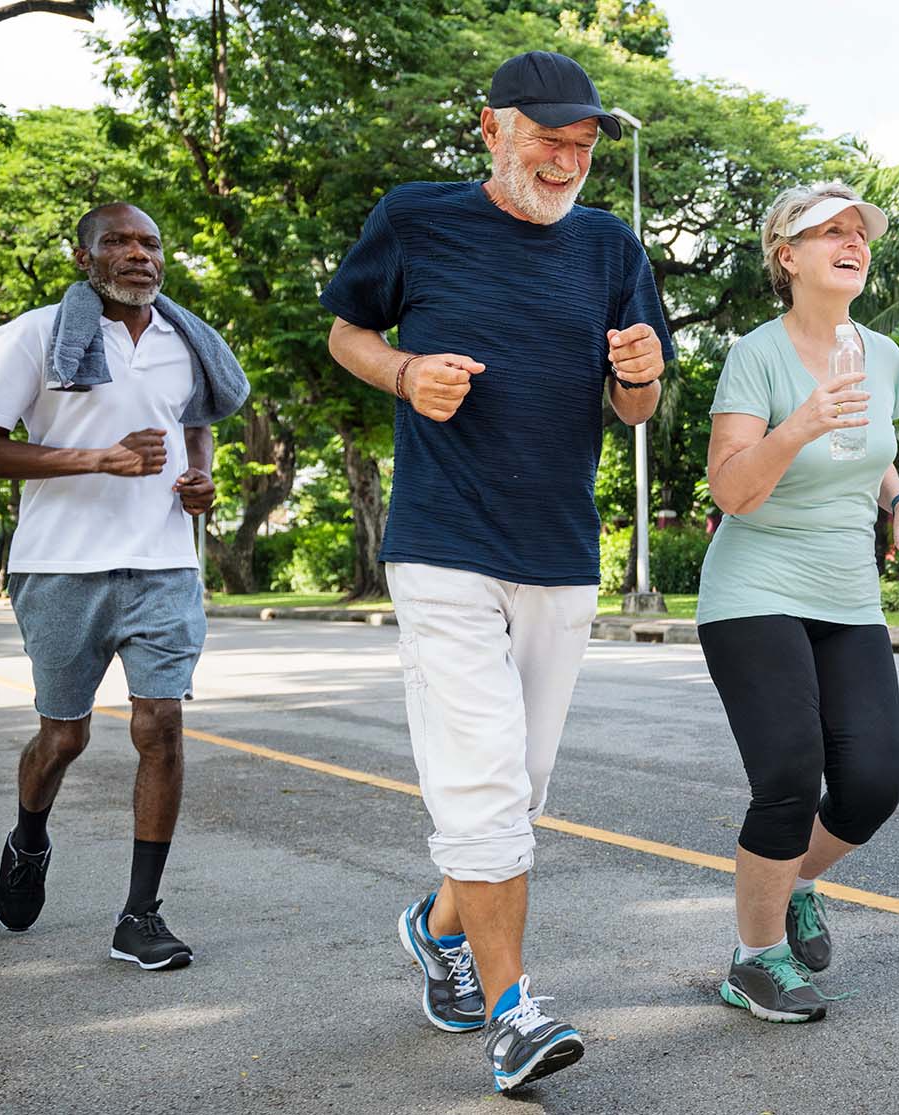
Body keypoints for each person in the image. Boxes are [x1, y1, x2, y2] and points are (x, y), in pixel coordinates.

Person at [320, 51, 672, 1091]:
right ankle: (514, 1011)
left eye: (584, 145)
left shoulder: (612, 246)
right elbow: (348, 330)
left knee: (518, 792)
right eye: (550, 140)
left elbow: (637, 407)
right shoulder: (415, 219)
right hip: (442, 542)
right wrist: (401, 371)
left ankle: (437, 926)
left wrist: (640, 379)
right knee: (480, 783)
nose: (569, 162)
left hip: (560, 549)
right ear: (491, 130)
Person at [0, 202, 248, 970]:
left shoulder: (184, 341)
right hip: (59, 567)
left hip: (163, 564)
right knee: (66, 735)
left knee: (160, 725)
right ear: (83, 257)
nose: (137, 254)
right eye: (117, 242)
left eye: (150, 241)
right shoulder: (29, 337)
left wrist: (201, 480)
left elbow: (194, 422)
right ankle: (29, 838)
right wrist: (97, 459)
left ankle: (140, 913)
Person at [697, 183, 899, 1023]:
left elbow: (867, 454)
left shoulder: (884, 352)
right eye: (827, 231)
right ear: (786, 256)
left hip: (847, 594)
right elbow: (733, 487)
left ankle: (791, 885)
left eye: (858, 230)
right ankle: (753, 958)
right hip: (752, 588)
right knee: (791, 773)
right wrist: (794, 425)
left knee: (872, 782)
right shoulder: (754, 355)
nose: (851, 241)